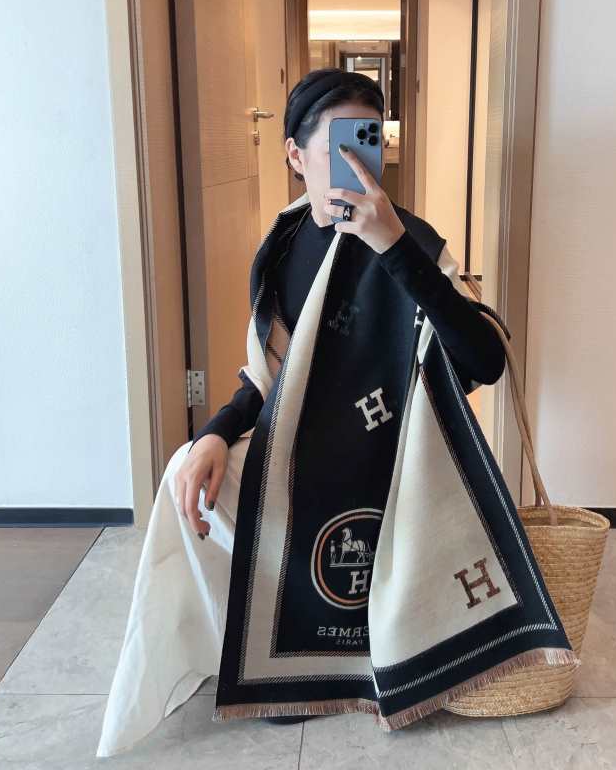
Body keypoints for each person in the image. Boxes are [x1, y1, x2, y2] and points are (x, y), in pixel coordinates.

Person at [95, 68, 506, 757]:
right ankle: (234, 649)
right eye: (339, 146)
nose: (358, 162)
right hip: (302, 438)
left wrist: (394, 248)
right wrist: (215, 433)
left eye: (368, 141)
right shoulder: (286, 242)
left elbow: (484, 361)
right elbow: (269, 375)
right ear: (295, 155)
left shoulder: (414, 240)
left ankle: (348, 655)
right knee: (186, 475)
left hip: (391, 451)